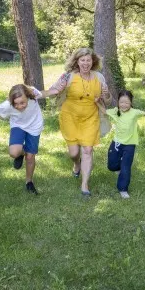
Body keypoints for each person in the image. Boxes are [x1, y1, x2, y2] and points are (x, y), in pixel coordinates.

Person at [40, 47, 111, 196]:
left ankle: (84, 185)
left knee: (88, 149)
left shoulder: (99, 77)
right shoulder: (68, 77)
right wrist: (56, 90)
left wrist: (106, 95)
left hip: (90, 117)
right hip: (69, 117)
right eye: (82, 60)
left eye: (88, 60)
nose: (86, 63)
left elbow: (108, 100)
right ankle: (76, 163)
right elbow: (53, 92)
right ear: (77, 62)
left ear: (93, 61)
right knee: (74, 152)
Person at [0, 84, 44, 194]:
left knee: (30, 157)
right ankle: (21, 153)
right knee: (14, 153)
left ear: (28, 96)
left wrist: (58, 90)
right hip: (18, 125)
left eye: (22, 103)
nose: (19, 106)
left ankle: (29, 182)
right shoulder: (7, 105)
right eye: (16, 104)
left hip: (34, 126)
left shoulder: (34, 94)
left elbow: (47, 92)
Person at [100, 90, 145, 198]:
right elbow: (104, 111)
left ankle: (123, 189)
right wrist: (96, 102)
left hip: (130, 144)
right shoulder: (115, 111)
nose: (124, 105)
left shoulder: (134, 112)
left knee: (126, 167)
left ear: (131, 103)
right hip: (117, 143)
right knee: (111, 165)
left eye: (127, 103)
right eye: (121, 102)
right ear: (118, 102)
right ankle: (118, 169)